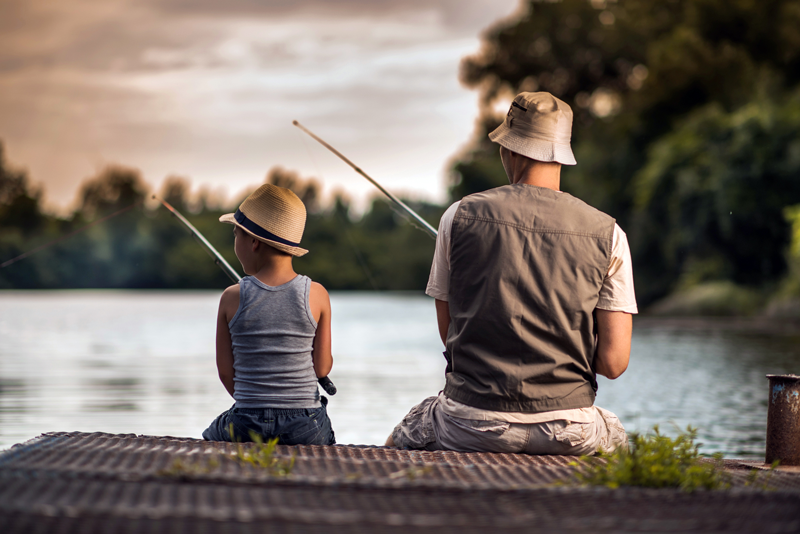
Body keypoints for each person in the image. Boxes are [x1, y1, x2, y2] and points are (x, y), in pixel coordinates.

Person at [387, 92, 637, 455]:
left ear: (511, 149)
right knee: (622, 444)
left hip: (469, 423)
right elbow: (613, 364)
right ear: (561, 155)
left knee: (397, 440)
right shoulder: (610, 233)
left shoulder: (456, 217)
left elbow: (449, 333)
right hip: (570, 430)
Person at [203, 183, 335, 445]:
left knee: (211, 435)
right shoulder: (317, 294)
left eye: (235, 234)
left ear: (253, 242)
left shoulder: (231, 297)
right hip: (305, 423)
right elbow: (322, 367)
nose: (234, 242)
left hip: (246, 421)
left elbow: (226, 373)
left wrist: (254, 406)